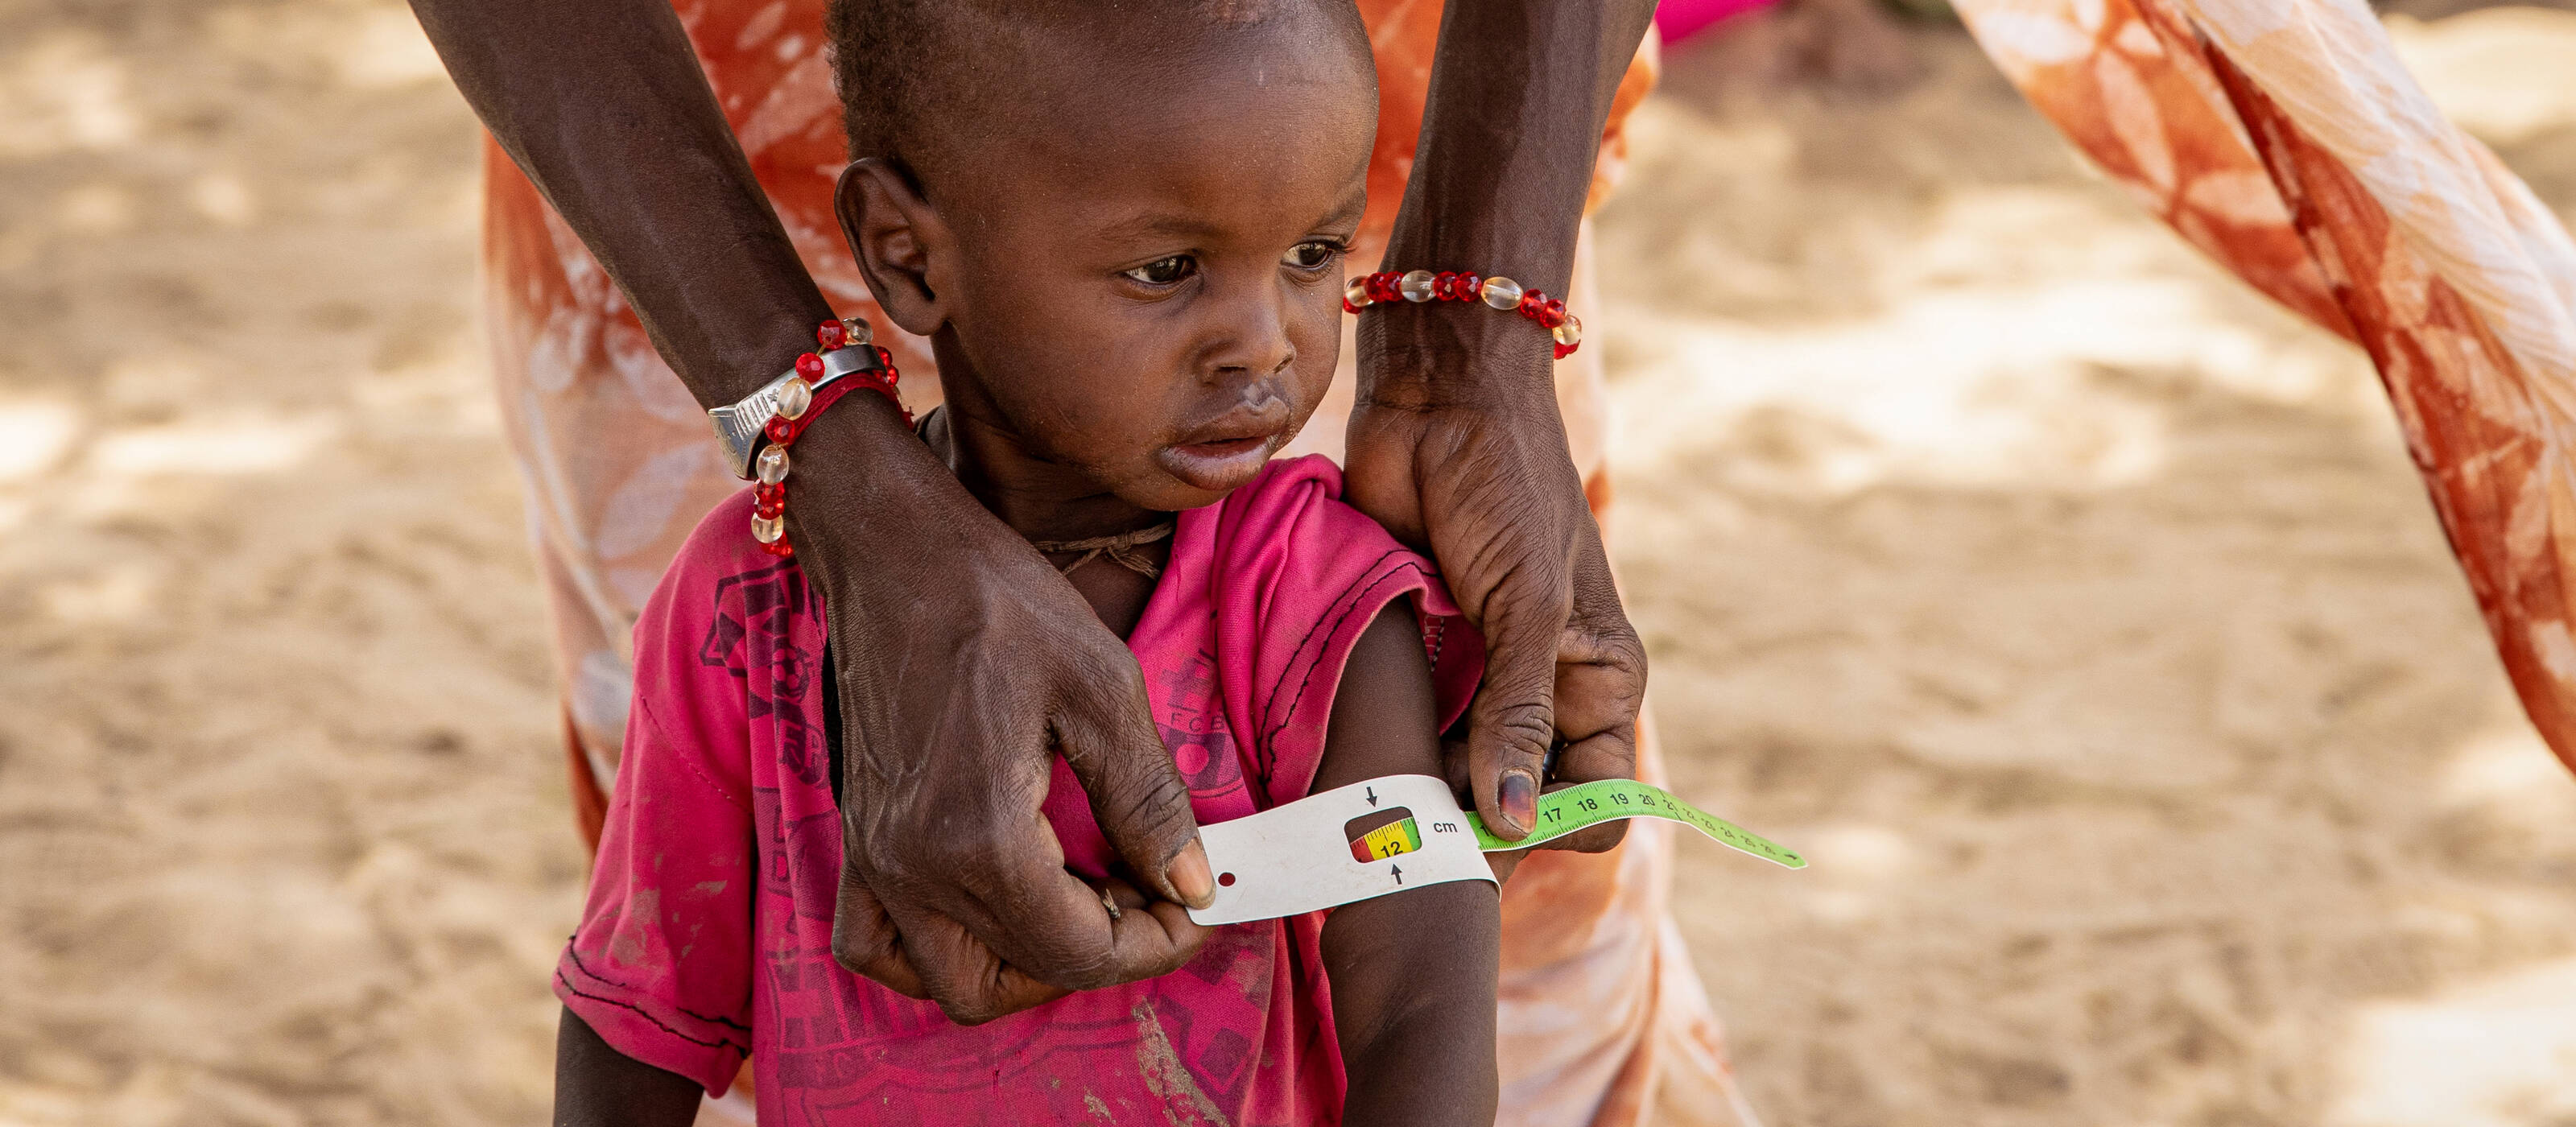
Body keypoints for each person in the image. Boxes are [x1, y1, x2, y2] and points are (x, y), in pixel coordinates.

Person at [411, 0, 1752, 1121]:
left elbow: (1420, 994)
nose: (1267, 348)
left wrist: (1474, 325)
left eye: (1312, 255)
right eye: (1168, 269)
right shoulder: (738, 615)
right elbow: (645, 1013)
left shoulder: (1322, 597)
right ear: (901, 253)